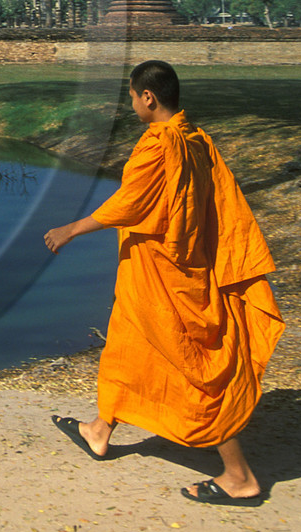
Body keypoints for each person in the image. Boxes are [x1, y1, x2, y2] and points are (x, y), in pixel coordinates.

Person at [44, 59, 284, 506]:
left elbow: (131, 203)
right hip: (163, 267)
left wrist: (71, 229)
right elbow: (217, 205)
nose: (132, 104)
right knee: (127, 344)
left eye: (132, 97)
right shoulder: (196, 137)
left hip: (168, 275)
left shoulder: (160, 143)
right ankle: (100, 430)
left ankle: (239, 476)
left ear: (147, 98)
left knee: (191, 366)